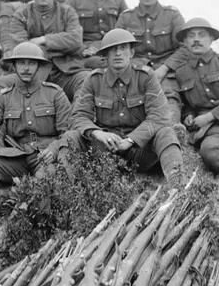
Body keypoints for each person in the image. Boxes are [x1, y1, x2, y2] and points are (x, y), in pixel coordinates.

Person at [0, 41, 72, 243]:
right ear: (14, 66)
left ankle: (31, 234)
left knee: (43, 183)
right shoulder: (5, 97)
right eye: (21, 63)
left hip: (45, 157)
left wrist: (54, 149)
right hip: (16, 155)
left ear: (39, 66)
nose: (26, 68)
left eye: (31, 63)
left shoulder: (55, 93)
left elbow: (69, 132)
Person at [71, 28, 183, 183]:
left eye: (123, 48)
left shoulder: (146, 77)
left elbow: (159, 116)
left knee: (166, 132)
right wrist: (97, 133)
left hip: (139, 150)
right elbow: (79, 116)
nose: (118, 53)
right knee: (72, 136)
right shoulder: (94, 79)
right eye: (113, 50)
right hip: (106, 151)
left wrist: (131, 140)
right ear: (105, 55)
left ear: (131, 53)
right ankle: (65, 185)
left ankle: (177, 184)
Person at [166, 17, 219, 174]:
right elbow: (185, 105)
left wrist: (210, 116)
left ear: (211, 39)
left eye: (202, 35)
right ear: (184, 41)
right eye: (191, 36)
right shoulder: (181, 72)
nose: (196, 39)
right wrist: (189, 116)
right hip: (210, 131)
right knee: (211, 152)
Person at [0, 0, 86, 101]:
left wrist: (43, 40)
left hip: (65, 72)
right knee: (1, 84)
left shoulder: (67, 12)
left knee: (85, 80)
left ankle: (77, 113)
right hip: (33, 74)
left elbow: (76, 41)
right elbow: (22, 49)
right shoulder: (21, 14)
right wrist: (61, 48)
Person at [116, 0, 185, 98]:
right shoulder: (126, 17)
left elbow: (185, 47)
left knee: (168, 98)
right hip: (134, 69)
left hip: (167, 71)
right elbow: (116, 48)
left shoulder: (172, 15)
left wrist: (164, 68)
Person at [66, 0, 127, 69]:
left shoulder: (118, 0)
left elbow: (125, 30)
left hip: (112, 49)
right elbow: (67, 33)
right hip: (83, 53)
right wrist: (83, 49)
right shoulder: (74, 0)